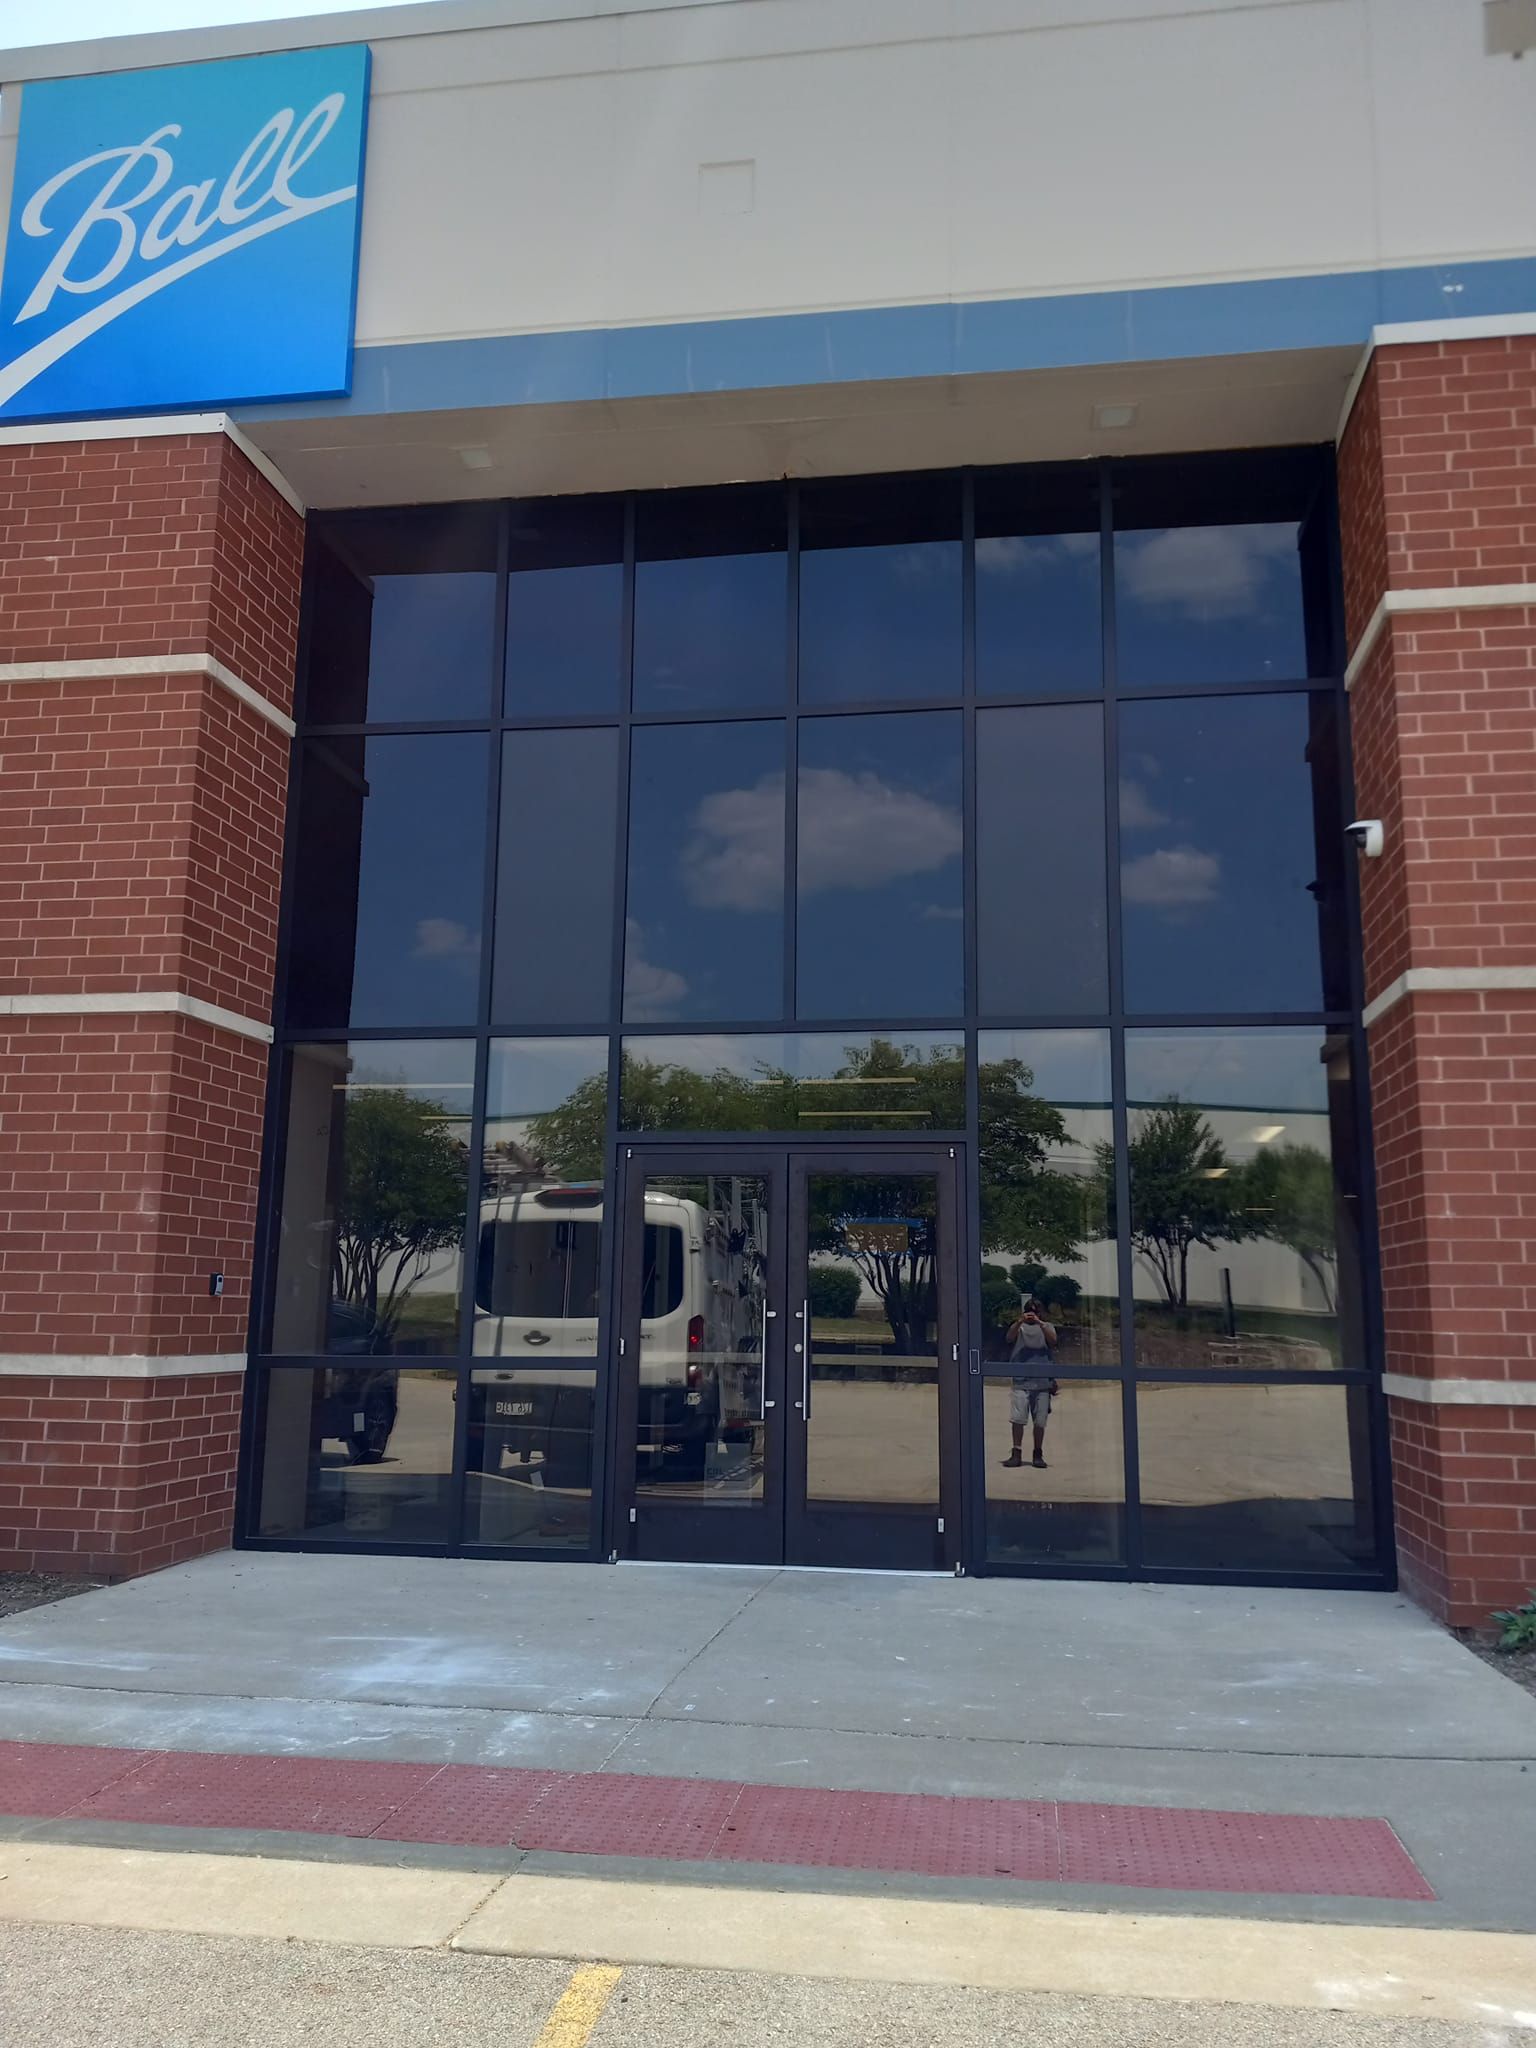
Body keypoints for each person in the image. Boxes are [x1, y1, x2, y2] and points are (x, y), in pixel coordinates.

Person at [1001, 1297, 1058, 1470]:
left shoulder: (1047, 1327)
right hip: (1021, 1380)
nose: (1032, 1314)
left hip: (1042, 1381)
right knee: (1018, 1419)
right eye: (1030, 1311)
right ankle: (1016, 1452)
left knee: (1040, 1421)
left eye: (1036, 1311)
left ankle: (1037, 1453)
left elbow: (1053, 1340)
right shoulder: (1019, 1328)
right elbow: (1009, 1338)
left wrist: (1040, 1323)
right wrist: (1020, 1321)